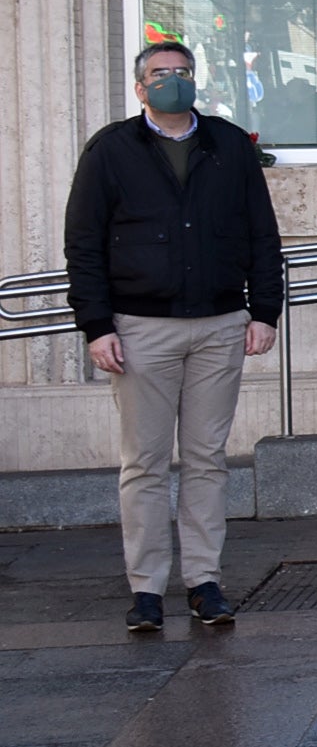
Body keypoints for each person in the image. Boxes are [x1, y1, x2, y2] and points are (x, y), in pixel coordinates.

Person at [64, 40, 284, 633]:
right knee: (145, 463)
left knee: (208, 459)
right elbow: (83, 243)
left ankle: (204, 581)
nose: (172, 82)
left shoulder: (228, 144)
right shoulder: (112, 149)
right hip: (140, 330)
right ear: (140, 88)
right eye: (160, 75)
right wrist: (96, 324)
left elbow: (262, 233)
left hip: (218, 324)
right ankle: (147, 589)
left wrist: (264, 310)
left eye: (182, 73)